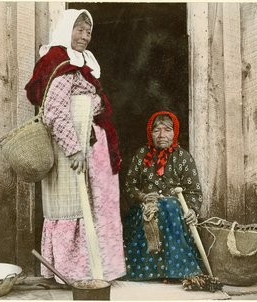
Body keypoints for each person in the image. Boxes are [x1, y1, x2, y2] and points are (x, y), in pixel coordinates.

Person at [24, 9, 126, 282]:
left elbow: (92, 101)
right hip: (71, 145)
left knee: (94, 204)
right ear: (66, 29)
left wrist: (94, 104)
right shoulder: (57, 60)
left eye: (88, 31)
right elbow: (55, 111)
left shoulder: (84, 63)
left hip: (90, 141)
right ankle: (74, 272)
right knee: (74, 203)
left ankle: (96, 269)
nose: (84, 36)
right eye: (79, 29)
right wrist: (73, 149)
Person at [122, 111, 203, 281]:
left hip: (174, 212)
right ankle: (146, 271)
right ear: (150, 133)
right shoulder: (142, 155)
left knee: (170, 207)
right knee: (153, 210)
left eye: (167, 130)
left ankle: (176, 271)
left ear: (175, 132)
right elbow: (129, 185)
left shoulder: (183, 158)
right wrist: (143, 197)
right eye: (156, 130)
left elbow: (193, 191)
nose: (161, 135)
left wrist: (193, 211)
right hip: (145, 207)